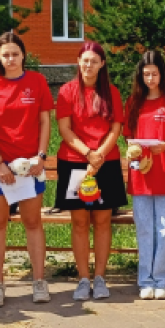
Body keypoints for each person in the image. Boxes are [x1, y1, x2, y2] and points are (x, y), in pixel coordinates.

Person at [0, 32, 53, 308]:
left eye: (15, 54)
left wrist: (40, 157)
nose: (10, 59)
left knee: (33, 223)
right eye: (5, 55)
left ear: (23, 55)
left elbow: (45, 121)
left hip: (30, 167)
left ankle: (39, 281)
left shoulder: (37, 81)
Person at [55, 42, 127, 301]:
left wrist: (99, 157)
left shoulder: (113, 93)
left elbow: (116, 129)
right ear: (78, 61)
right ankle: (83, 279)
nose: (88, 65)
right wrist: (88, 154)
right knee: (80, 222)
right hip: (75, 162)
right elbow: (65, 129)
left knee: (102, 221)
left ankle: (100, 278)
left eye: (94, 61)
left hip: (105, 163)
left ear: (102, 64)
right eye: (85, 60)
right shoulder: (66, 92)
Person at [124, 50, 165, 300]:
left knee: (163, 229)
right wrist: (133, 147)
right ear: (140, 76)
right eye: (146, 74)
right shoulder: (133, 103)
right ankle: (145, 280)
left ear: (162, 74)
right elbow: (127, 135)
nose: (150, 78)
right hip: (140, 176)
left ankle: (162, 279)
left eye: (155, 74)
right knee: (144, 230)